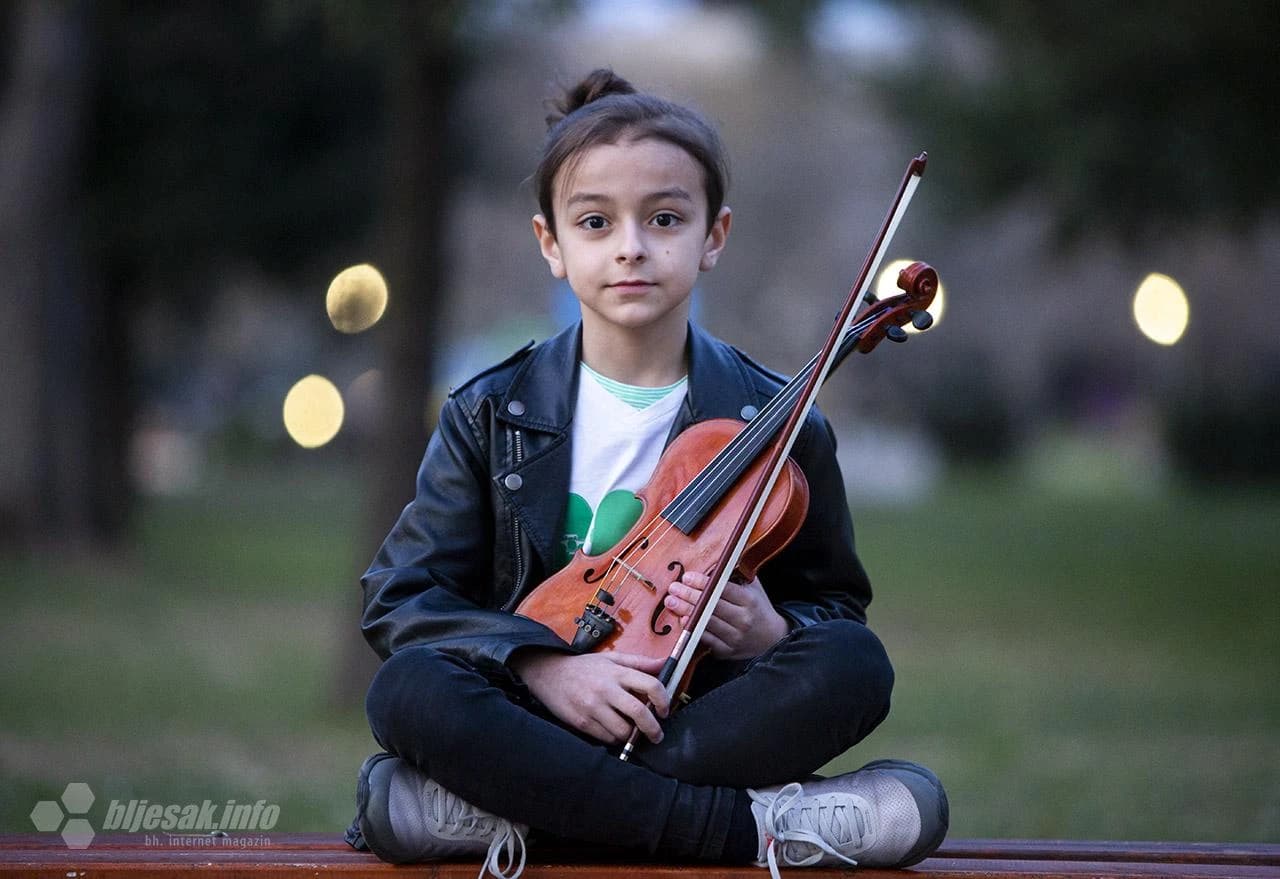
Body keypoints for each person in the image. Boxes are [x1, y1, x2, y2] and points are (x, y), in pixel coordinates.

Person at [345, 69, 948, 879]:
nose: (631, 245)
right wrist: (542, 666)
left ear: (714, 235)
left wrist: (771, 630)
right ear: (552, 244)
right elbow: (402, 598)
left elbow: (835, 608)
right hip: (535, 713)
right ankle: (755, 829)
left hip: (701, 718)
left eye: (664, 218)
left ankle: (511, 812)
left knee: (856, 665)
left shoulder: (782, 424)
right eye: (596, 221)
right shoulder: (489, 413)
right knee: (408, 690)